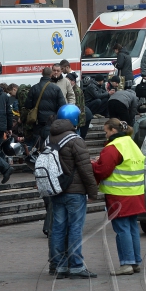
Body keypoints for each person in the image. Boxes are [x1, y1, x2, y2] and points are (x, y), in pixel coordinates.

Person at [48, 105, 99, 279]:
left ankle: (60, 266)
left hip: (56, 190)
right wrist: (93, 192)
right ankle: (76, 266)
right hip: (75, 192)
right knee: (75, 228)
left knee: (58, 228)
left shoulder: (49, 137)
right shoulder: (75, 140)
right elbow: (85, 169)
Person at [92, 118, 146, 275]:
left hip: (119, 194)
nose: (105, 135)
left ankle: (126, 263)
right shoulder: (130, 143)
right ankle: (135, 261)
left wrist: (94, 164)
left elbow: (103, 171)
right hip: (135, 192)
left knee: (122, 229)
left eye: (106, 131)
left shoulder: (113, 147)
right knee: (132, 228)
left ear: (113, 131)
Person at [23, 67, 66, 145]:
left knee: (37, 141)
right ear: (51, 74)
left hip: (37, 120)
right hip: (52, 120)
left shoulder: (34, 88)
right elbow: (62, 106)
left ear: (42, 74)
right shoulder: (56, 88)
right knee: (50, 142)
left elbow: (27, 105)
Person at [67, 72, 91, 140]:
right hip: (78, 116)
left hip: (79, 117)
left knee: (78, 137)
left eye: (68, 81)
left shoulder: (76, 91)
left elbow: (77, 106)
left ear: (73, 82)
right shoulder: (72, 89)